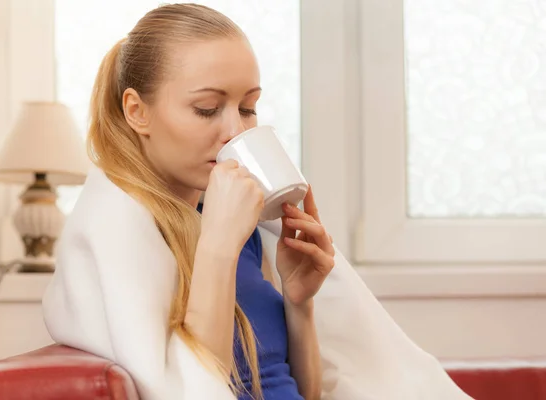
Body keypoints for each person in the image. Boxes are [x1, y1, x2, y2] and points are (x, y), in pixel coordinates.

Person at [43, 4, 474, 400]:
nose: (235, 130)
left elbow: (297, 389)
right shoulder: (125, 229)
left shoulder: (245, 227)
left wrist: (298, 300)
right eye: (208, 109)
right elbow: (196, 389)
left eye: (248, 108)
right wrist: (216, 246)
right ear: (137, 111)